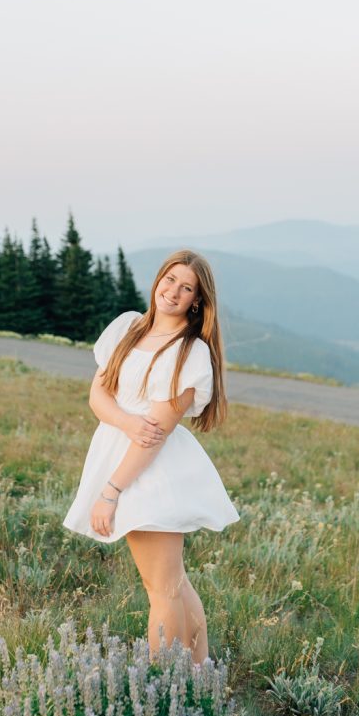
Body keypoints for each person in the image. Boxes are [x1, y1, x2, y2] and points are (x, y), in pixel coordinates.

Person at [63, 249, 239, 663]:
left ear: (197, 300)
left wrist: (110, 492)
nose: (173, 291)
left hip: (150, 471)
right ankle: (197, 677)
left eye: (186, 287)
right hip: (120, 454)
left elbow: (154, 433)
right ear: (158, 279)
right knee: (172, 583)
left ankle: (165, 686)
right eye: (170, 279)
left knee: (161, 589)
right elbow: (98, 393)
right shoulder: (128, 326)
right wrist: (125, 422)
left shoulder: (190, 353)